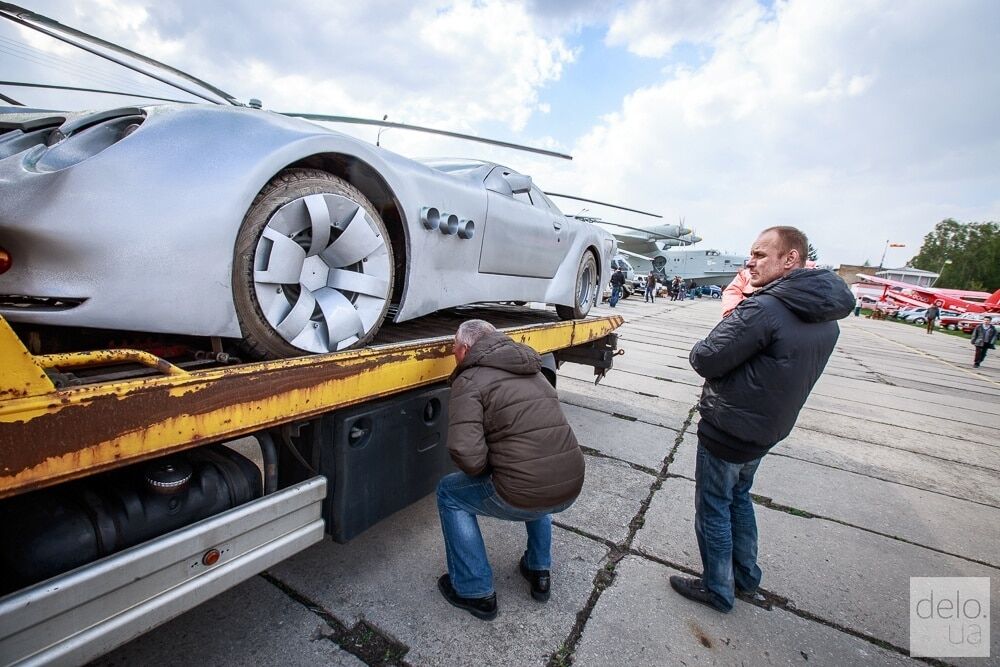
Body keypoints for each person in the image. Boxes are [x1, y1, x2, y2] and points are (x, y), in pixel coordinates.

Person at [669, 226, 854, 613]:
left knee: (715, 506)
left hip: (729, 429)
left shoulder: (765, 307)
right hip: (766, 430)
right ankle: (746, 576)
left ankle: (718, 588)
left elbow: (706, 357)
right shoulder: (826, 316)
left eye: (760, 254)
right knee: (739, 497)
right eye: (749, 255)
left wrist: (727, 322)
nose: (749, 262)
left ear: (791, 259)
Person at [436, 320, 585, 620]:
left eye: (453, 347)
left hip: (526, 490)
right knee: (534, 474)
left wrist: (486, 470)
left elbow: (466, 453)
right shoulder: (534, 370)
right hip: (570, 484)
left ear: (465, 349)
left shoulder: (471, 379)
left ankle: (474, 590)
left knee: (449, 494)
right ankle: (538, 569)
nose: (453, 352)